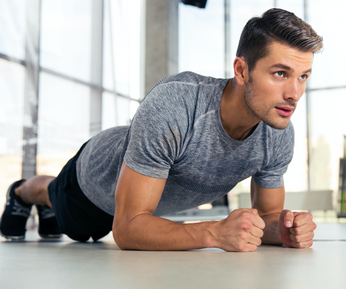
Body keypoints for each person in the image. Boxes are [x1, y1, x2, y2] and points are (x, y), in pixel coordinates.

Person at [0, 8, 323, 252]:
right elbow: (126, 229)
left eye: (303, 76)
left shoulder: (278, 132)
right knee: (60, 204)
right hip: (93, 182)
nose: (295, 93)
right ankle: (21, 191)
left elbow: (267, 217)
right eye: (280, 73)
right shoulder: (177, 103)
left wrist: (284, 228)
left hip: (140, 211)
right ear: (241, 69)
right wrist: (212, 232)